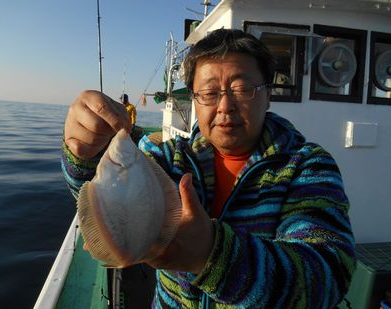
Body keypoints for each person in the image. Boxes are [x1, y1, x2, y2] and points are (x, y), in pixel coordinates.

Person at [62, 29, 355, 308]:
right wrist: (84, 152)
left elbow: (326, 277)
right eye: (210, 93)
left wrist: (211, 256)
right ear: (195, 101)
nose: (225, 106)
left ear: (268, 96)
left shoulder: (307, 167)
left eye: (243, 89)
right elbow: (96, 198)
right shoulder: (166, 157)